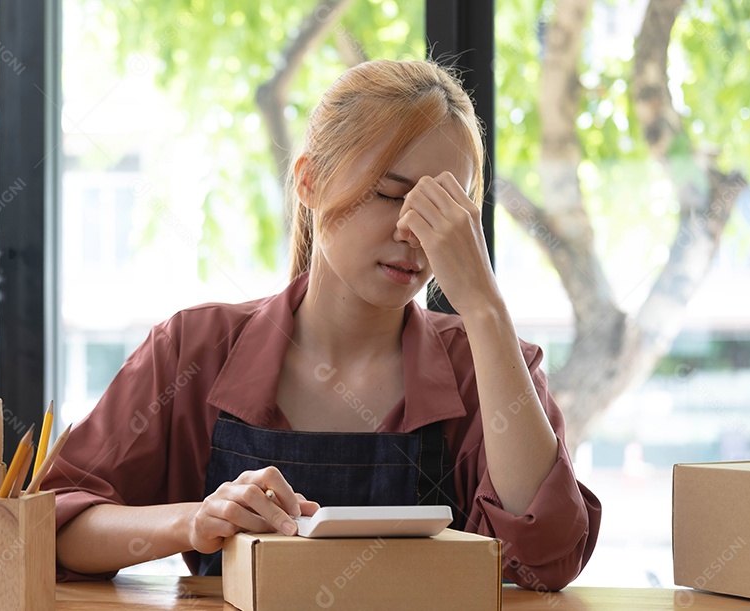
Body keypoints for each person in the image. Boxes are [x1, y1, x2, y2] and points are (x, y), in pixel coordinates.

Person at [42, 58, 601, 590]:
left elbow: (545, 559)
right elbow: (54, 525)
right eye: (391, 193)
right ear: (309, 181)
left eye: (442, 209)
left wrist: (484, 308)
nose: (413, 230)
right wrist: (193, 520)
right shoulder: (193, 349)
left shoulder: (486, 365)